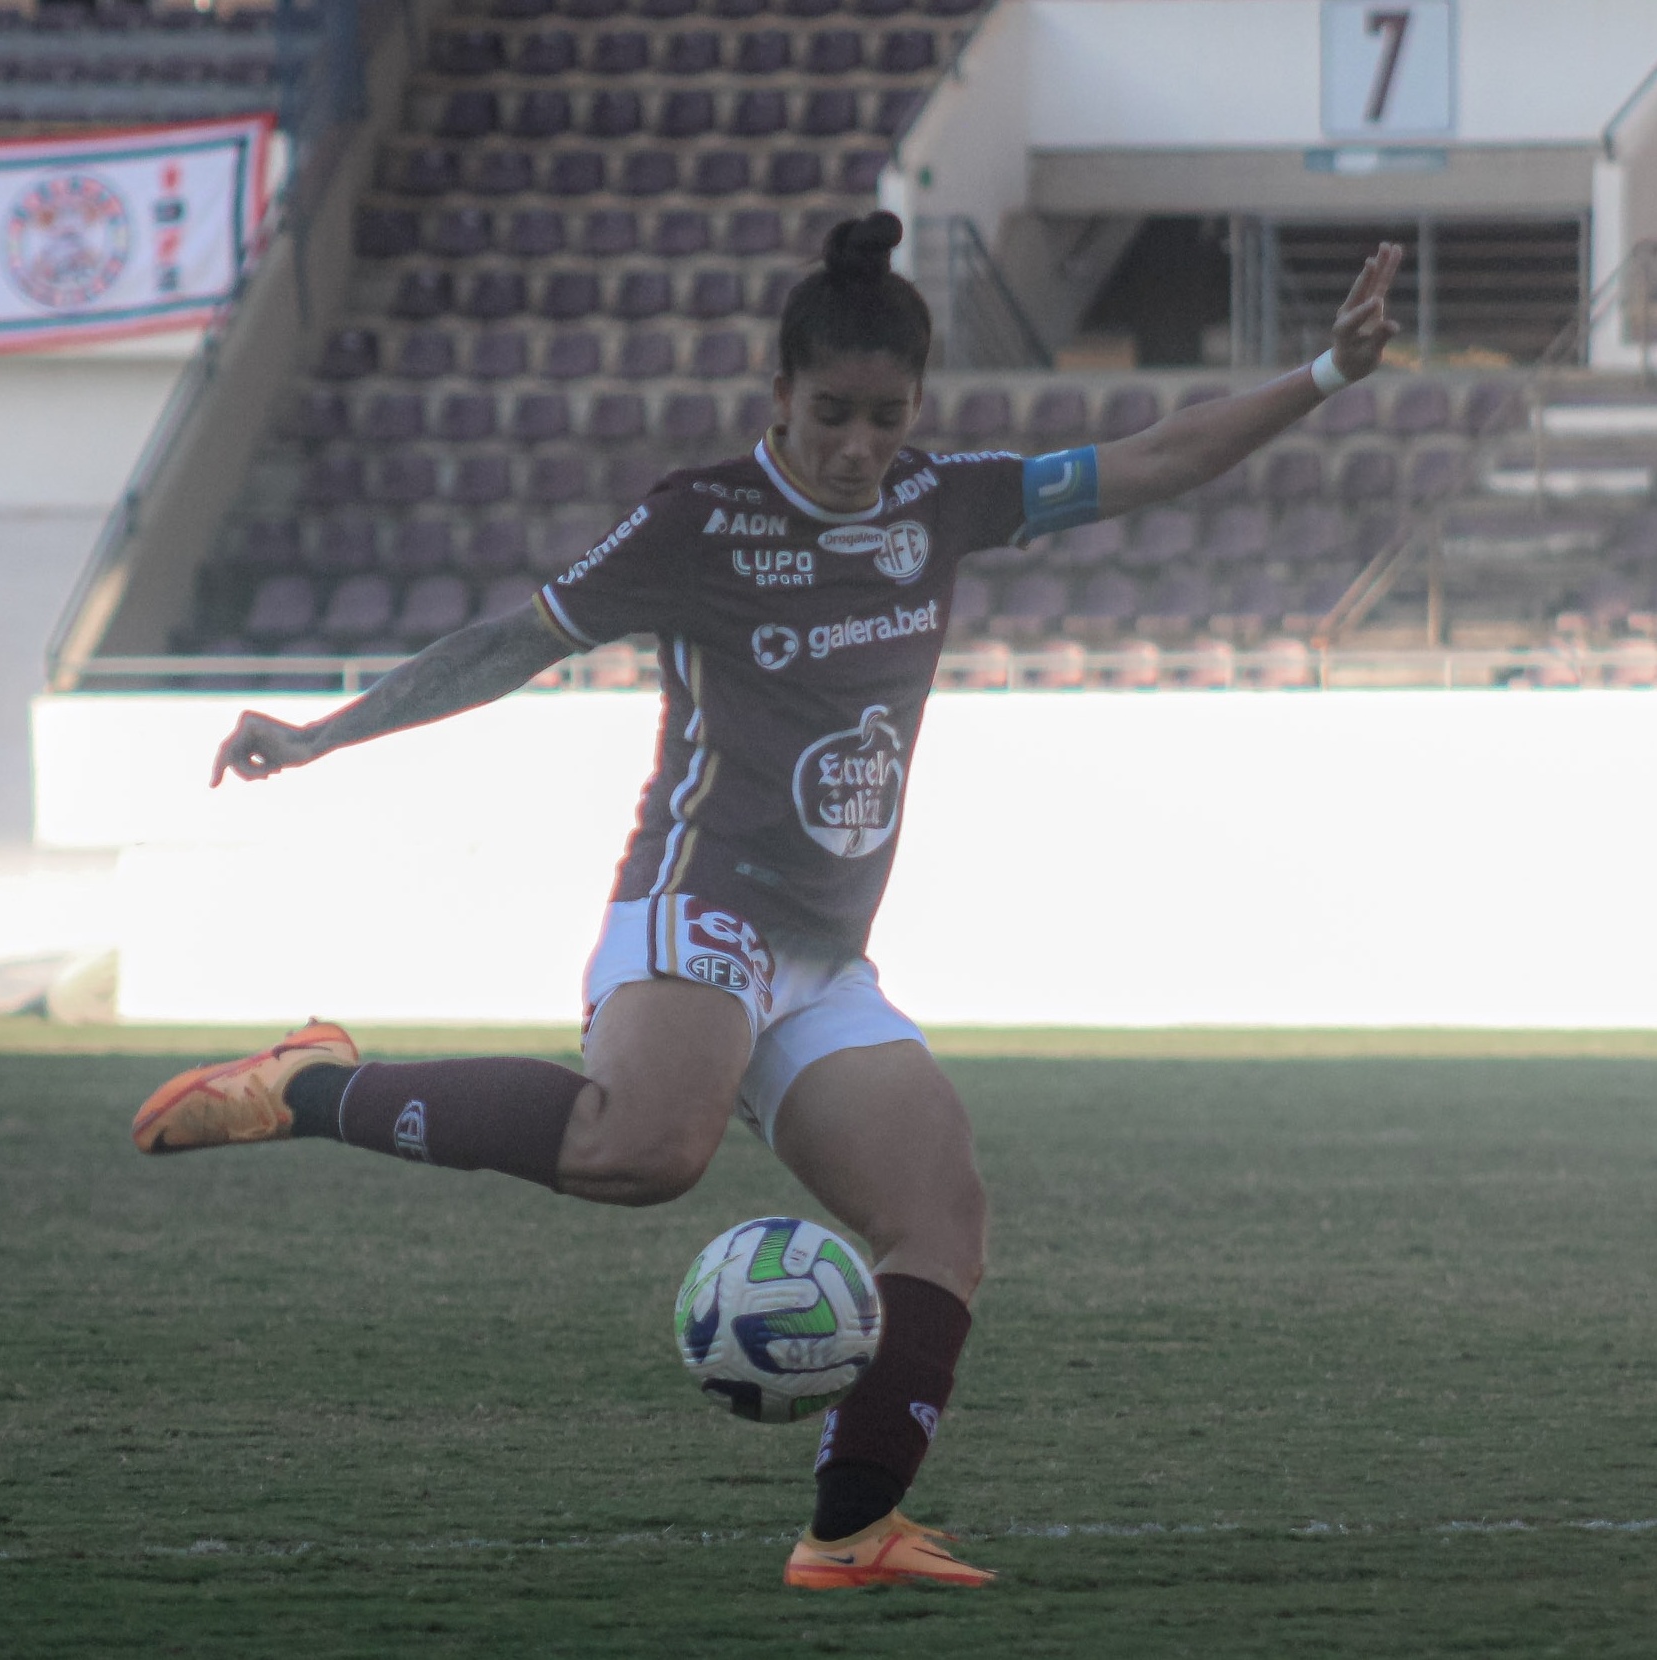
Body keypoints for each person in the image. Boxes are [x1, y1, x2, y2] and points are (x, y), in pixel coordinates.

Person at [132, 214, 1401, 1589]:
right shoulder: (699, 521)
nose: (860, 447)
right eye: (834, 415)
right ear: (779, 396)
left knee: (944, 1221)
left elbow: (1156, 461)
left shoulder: (944, 500)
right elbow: (512, 644)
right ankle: (314, 1085)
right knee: (644, 1154)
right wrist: (327, 733)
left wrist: (1324, 376)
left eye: (886, 418)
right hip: (700, 906)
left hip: (823, 952)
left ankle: (849, 1533)